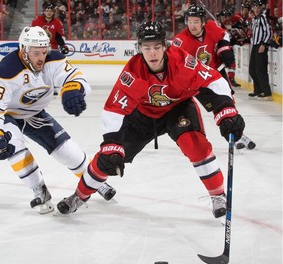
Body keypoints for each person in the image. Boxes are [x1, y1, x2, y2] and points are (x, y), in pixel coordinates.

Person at [56, 21, 245, 218]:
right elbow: (114, 108)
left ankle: (217, 195)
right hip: (143, 116)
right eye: (147, 48)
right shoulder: (132, 72)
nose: (152, 53)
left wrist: (226, 111)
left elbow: (213, 80)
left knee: (195, 145)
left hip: (177, 108)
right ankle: (78, 196)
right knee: (107, 159)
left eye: (156, 47)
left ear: (165, 46)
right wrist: (112, 143)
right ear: (139, 49)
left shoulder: (182, 62)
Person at [0, 26, 116, 214]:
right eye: (36, 53)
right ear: (24, 51)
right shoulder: (6, 70)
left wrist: (73, 88)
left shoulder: (53, 60)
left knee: (66, 150)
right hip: (5, 113)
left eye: (44, 52)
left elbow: (75, 76)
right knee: (14, 147)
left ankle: (93, 181)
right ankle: (39, 190)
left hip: (34, 112)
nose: (41, 57)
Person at [173, 4, 255, 150]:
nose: (192, 25)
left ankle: (237, 132)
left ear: (203, 22)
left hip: (216, 73)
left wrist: (224, 48)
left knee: (229, 100)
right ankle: (231, 132)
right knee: (218, 107)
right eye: (190, 21)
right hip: (198, 81)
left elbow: (224, 35)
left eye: (196, 22)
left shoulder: (211, 27)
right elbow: (173, 60)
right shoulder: (181, 40)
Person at [248, 0, 273, 101]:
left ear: (261, 7)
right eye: (255, 7)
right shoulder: (255, 19)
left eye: (258, 7)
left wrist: (264, 44)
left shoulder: (263, 17)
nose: (256, 9)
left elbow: (268, 32)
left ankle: (266, 92)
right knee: (252, 69)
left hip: (261, 45)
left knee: (260, 69)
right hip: (255, 45)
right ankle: (258, 90)